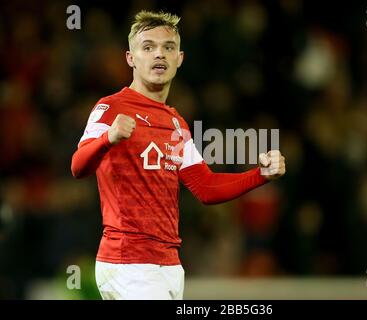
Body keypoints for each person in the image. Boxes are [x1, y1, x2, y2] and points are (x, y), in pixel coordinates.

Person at [71, 10, 286, 300]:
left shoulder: (176, 123)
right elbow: (78, 166)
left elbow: (205, 187)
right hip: (130, 261)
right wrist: (107, 139)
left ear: (179, 59)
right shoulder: (111, 108)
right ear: (131, 58)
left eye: (168, 48)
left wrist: (260, 175)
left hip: (168, 264)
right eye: (148, 47)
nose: (159, 54)